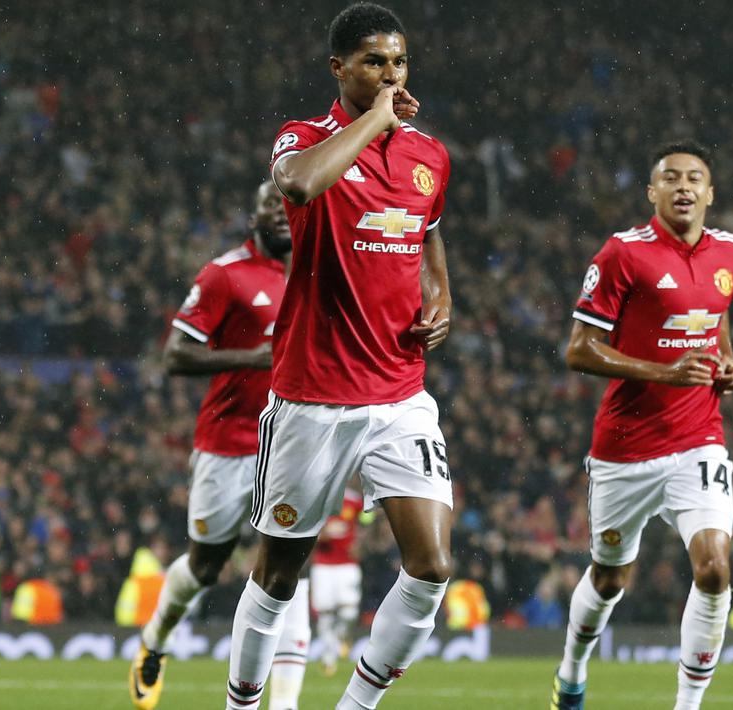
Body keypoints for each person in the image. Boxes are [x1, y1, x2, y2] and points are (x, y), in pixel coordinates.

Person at [223, 3, 454, 709]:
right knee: (279, 574)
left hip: (397, 393)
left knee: (432, 565)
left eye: (399, 62)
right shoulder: (303, 137)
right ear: (340, 68)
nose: (390, 74)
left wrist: (441, 293)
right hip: (312, 394)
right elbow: (298, 185)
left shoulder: (428, 156)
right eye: (374, 62)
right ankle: (241, 702)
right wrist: (376, 120)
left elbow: (429, 232)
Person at [552, 140, 733, 710]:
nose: (684, 186)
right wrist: (662, 371)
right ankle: (571, 672)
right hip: (625, 449)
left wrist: (727, 362)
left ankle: (686, 707)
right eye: (671, 178)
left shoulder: (732, 253)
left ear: (711, 194)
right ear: (652, 192)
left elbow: (714, 318)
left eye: (695, 178)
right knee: (610, 578)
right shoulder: (622, 255)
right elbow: (579, 350)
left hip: (698, 440)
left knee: (714, 569)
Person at [129, 180, 307, 710]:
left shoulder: (317, 272)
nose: (279, 213)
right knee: (206, 565)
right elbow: (175, 356)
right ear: (253, 217)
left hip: (294, 440)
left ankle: (283, 703)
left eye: (288, 205)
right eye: (269, 206)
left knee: (288, 565)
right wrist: (249, 358)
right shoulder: (225, 274)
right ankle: (155, 640)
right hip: (228, 441)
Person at [312, 486, 365, 675]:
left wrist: (361, 542)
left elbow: (367, 521)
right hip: (323, 565)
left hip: (347, 564)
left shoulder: (355, 500)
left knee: (349, 612)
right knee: (325, 614)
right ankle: (328, 658)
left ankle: (342, 636)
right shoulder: (319, 496)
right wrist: (321, 536)